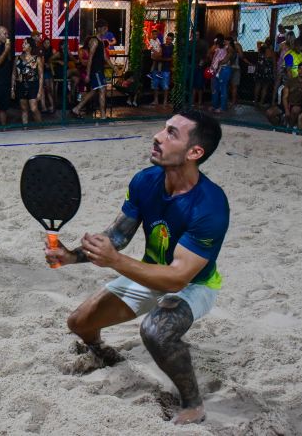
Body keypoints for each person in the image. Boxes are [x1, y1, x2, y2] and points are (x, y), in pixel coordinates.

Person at [45, 110, 229, 426]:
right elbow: (118, 235)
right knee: (78, 324)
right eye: (163, 128)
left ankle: (192, 403)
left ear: (194, 152)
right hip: (149, 271)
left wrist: (115, 261)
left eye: (172, 133)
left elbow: (177, 278)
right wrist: (73, 256)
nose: (158, 136)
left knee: (156, 330)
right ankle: (103, 352)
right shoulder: (145, 181)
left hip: (192, 284)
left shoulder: (210, 206)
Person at [71, 19, 114, 119]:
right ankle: (103, 115)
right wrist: (87, 73)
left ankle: (76, 108)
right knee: (102, 90)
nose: (106, 31)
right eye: (104, 29)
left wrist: (114, 67)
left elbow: (105, 57)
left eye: (106, 29)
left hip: (99, 70)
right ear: (99, 29)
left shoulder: (101, 41)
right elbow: (90, 58)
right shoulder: (94, 41)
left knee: (94, 91)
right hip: (96, 71)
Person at [266, 62, 302, 127]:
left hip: (300, 105)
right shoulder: (291, 81)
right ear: (297, 70)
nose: (301, 71)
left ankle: (290, 128)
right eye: (300, 69)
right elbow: (285, 97)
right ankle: (279, 127)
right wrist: (286, 110)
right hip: (287, 104)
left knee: (295, 110)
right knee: (269, 112)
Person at [13, 37, 44, 125]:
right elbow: (13, 74)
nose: (23, 44)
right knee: (24, 109)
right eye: (23, 43)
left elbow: (41, 75)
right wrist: (12, 88)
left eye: (25, 43)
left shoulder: (37, 59)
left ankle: (40, 127)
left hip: (33, 85)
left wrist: (40, 91)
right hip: (20, 85)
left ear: (30, 46)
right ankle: (25, 129)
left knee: (33, 108)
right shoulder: (17, 58)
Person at [210, 36, 233, 113]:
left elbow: (226, 59)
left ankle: (222, 107)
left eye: (227, 40)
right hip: (215, 69)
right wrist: (215, 44)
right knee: (214, 88)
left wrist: (219, 63)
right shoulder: (217, 47)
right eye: (225, 40)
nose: (225, 42)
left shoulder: (229, 48)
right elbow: (209, 52)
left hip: (224, 69)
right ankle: (214, 105)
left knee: (223, 88)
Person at [151, 32, 174, 106]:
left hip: (166, 68)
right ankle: (156, 100)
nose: (168, 40)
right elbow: (156, 55)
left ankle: (165, 101)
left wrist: (160, 58)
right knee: (155, 84)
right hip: (157, 68)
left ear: (172, 40)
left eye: (170, 39)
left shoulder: (172, 47)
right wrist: (159, 57)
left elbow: (171, 59)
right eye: (167, 38)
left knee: (165, 85)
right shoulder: (161, 45)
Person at [253, 38, 275, 107]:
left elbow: (258, 42)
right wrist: (274, 71)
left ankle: (255, 101)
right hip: (267, 71)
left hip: (259, 70)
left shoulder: (261, 50)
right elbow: (274, 63)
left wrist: (264, 43)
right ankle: (261, 102)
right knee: (265, 87)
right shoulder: (271, 52)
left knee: (257, 86)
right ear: (271, 44)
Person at [40, 36, 56, 114]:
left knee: (49, 90)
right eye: (45, 43)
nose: (47, 44)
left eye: (48, 43)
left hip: (49, 71)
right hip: (42, 71)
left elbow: (55, 61)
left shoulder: (52, 51)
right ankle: (44, 107)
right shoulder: (41, 51)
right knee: (43, 89)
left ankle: (52, 106)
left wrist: (49, 64)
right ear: (43, 44)